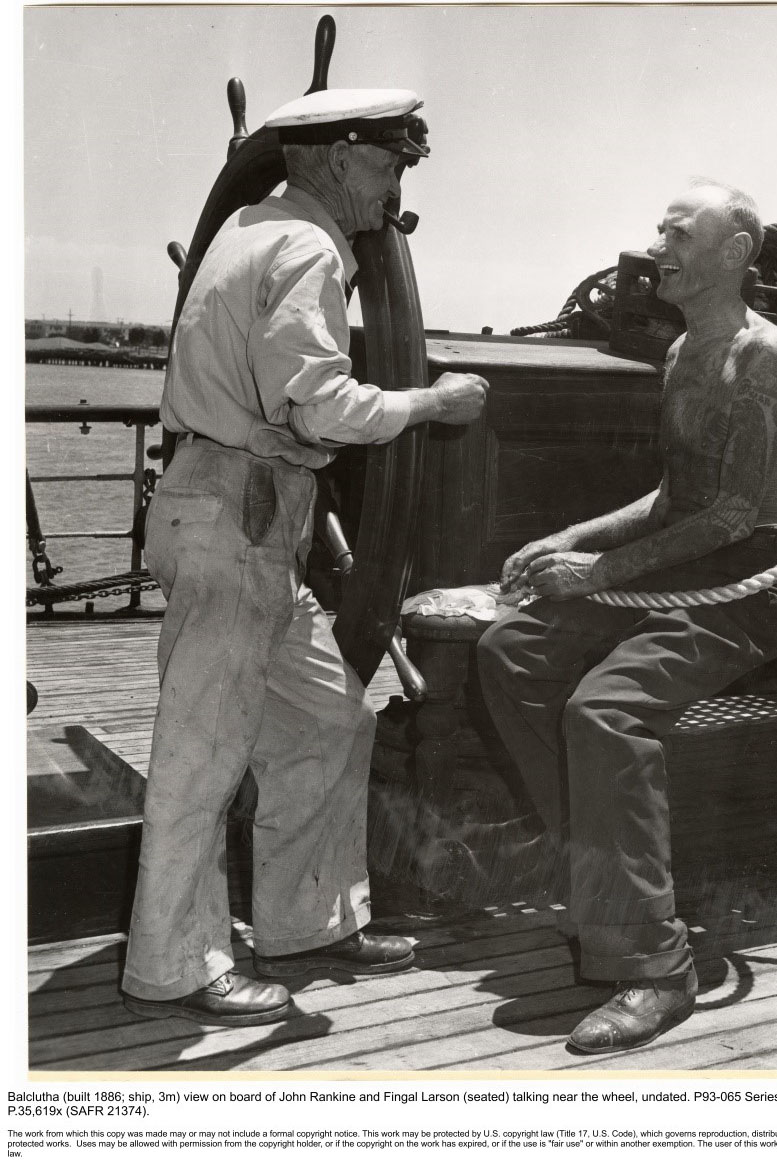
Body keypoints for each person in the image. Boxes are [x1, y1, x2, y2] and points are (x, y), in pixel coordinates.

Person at [121, 88, 488, 1026]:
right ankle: (175, 965)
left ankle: (309, 919)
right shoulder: (310, 248)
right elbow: (319, 407)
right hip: (234, 521)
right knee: (202, 756)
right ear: (336, 155)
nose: (394, 189)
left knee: (331, 719)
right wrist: (430, 403)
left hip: (245, 519)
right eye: (389, 164)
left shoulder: (247, 229)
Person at [477, 179, 777, 1055]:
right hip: (681, 562)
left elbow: (734, 516)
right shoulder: (682, 354)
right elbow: (674, 497)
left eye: (676, 234)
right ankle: (608, 888)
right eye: (659, 230)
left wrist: (596, 572)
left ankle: (653, 967)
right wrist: (569, 537)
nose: (655, 247)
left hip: (748, 583)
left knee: (604, 710)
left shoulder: (761, 354)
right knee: (511, 651)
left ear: (734, 254)